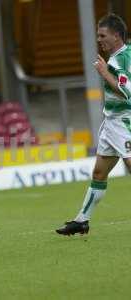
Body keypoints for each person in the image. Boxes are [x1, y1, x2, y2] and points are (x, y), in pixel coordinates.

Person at [56, 13, 131, 235]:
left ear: (116, 35)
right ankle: (82, 221)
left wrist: (104, 72)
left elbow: (127, 92)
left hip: (123, 122)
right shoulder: (122, 55)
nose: (99, 39)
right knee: (99, 173)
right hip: (111, 123)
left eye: (102, 35)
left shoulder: (119, 59)